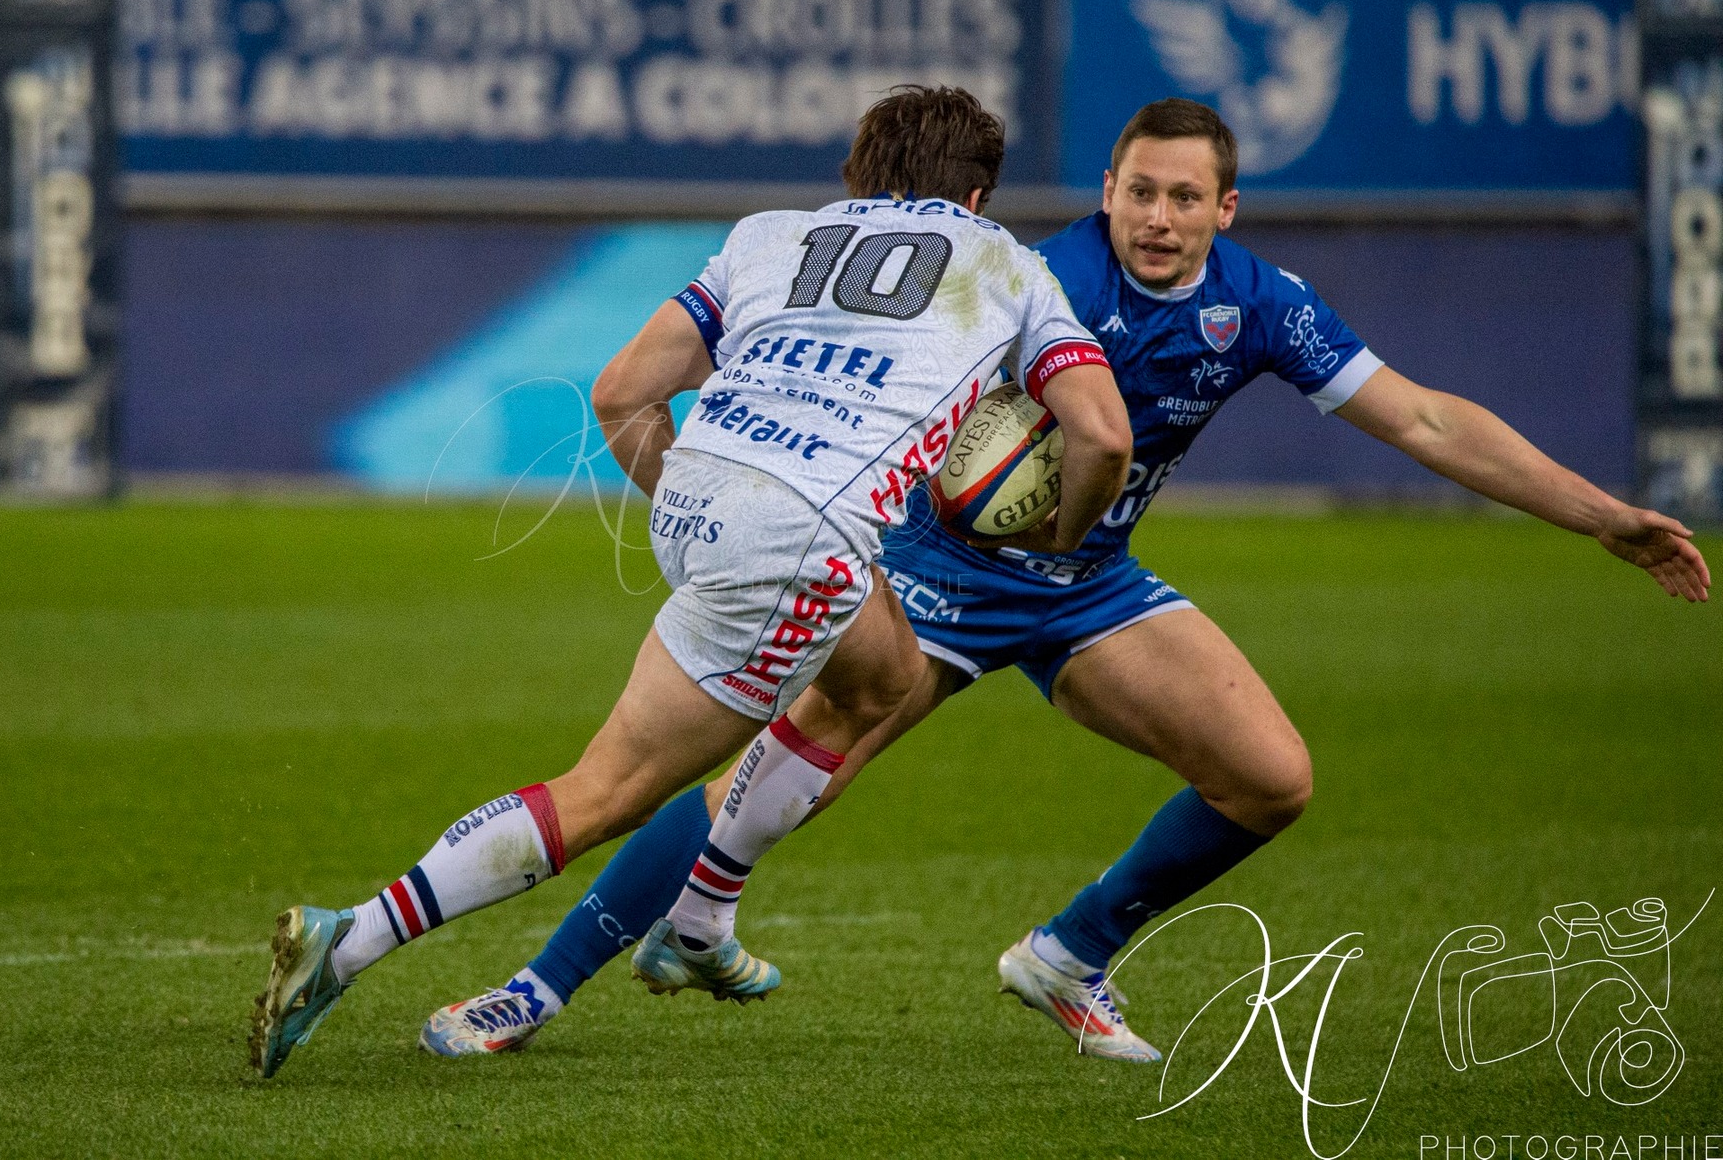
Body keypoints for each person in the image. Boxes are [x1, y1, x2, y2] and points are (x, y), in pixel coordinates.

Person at [418, 97, 1711, 1062]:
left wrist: (1601, 517)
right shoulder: (1025, 277)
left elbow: (1425, 421)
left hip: (1086, 581)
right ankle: (533, 990)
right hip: (924, 573)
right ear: (1106, 189)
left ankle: (1066, 953)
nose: (1157, 216)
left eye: (1184, 197)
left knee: (1271, 775)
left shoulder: (1258, 305)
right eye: (1138, 190)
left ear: (1226, 211)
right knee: (745, 781)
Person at [247, 85, 1133, 1079]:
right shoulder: (1006, 265)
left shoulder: (769, 237)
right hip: (797, 540)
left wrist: (706, 509)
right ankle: (351, 938)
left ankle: (702, 918)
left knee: (879, 677)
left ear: (855, 177)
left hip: (700, 497)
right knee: (609, 788)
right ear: (976, 197)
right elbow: (1100, 432)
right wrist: (1062, 532)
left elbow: (622, 392)